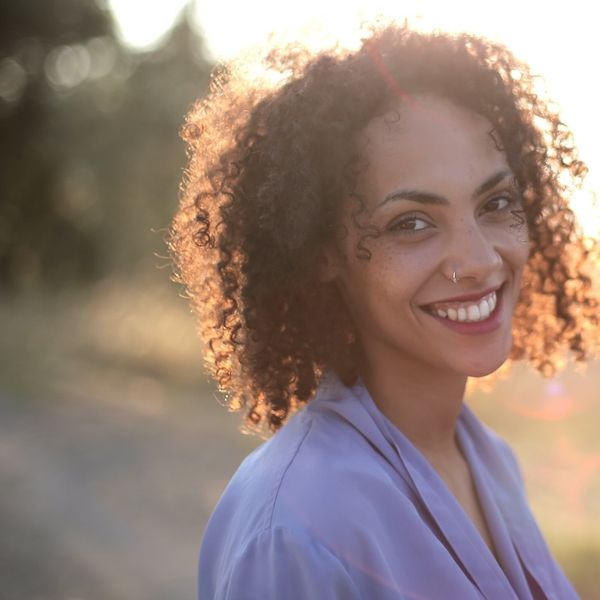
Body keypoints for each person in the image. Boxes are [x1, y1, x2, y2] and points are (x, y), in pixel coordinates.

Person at [169, 22, 599, 599]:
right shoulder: (295, 531)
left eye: (497, 203)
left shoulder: (491, 462)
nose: (477, 260)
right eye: (413, 223)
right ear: (322, 254)